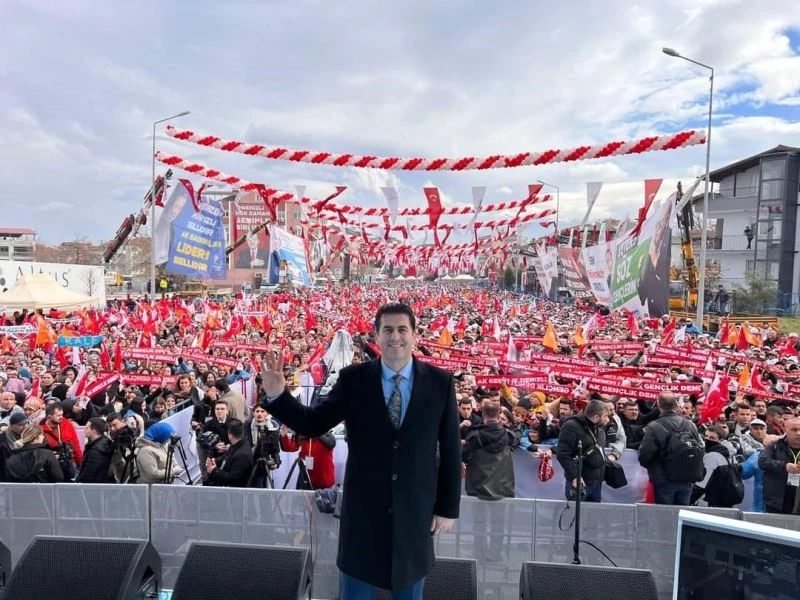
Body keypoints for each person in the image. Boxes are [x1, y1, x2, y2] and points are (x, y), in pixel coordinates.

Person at [261, 303, 460, 598]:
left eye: (402, 329)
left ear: (415, 335)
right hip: (363, 515)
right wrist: (278, 395)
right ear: (376, 337)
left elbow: (452, 450)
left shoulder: (439, 382)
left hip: (414, 514)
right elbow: (314, 423)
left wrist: (446, 508)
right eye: (388, 330)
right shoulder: (353, 380)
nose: (395, 337)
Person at [638, 393, 704, 506]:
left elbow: (644, 455)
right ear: (676, 405)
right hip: (687, 477)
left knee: (665, 515)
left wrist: (653, 468)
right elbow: (701, 448)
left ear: (658, 404)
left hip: (663, 478)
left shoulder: (655, 426)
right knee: (682, 515)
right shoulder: (690, 425)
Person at [555, 399, 609, 503]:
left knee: (591, 516)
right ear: (596, 417)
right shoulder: (571, 426)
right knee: (575, 516)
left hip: (597, 482)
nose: (607, 419)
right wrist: (575, 476)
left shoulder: (599, 427)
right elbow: (562, 454)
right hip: (580, 482)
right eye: (605, 416)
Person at [462, 401, 518, 500]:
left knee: (478, 515)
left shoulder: (474, 435)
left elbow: (464, 457)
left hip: (477, 489)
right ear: (498, 416)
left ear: (483, 414)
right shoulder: (509, 436)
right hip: (503, 489)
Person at [758, 416, 800, 514]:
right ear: (785, 430)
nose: (798, 433)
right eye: (794, 430)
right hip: (777, 500)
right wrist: (784, 466)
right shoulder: (774, 446)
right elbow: (762, 462)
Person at [206, 419, 254, 488]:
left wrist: (214, 471)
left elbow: (233, 478)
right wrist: (215, 461)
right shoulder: (237, 443)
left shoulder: (242, 455)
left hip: (234, 491)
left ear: (230, 436)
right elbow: (226, 456)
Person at [76, 417, 114, 484]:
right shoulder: (104, 443)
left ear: (94, 431)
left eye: (87, 428)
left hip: (93, 487)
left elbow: (87, 475)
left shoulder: (95, 451)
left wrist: (76, 483)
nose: (84, 429)